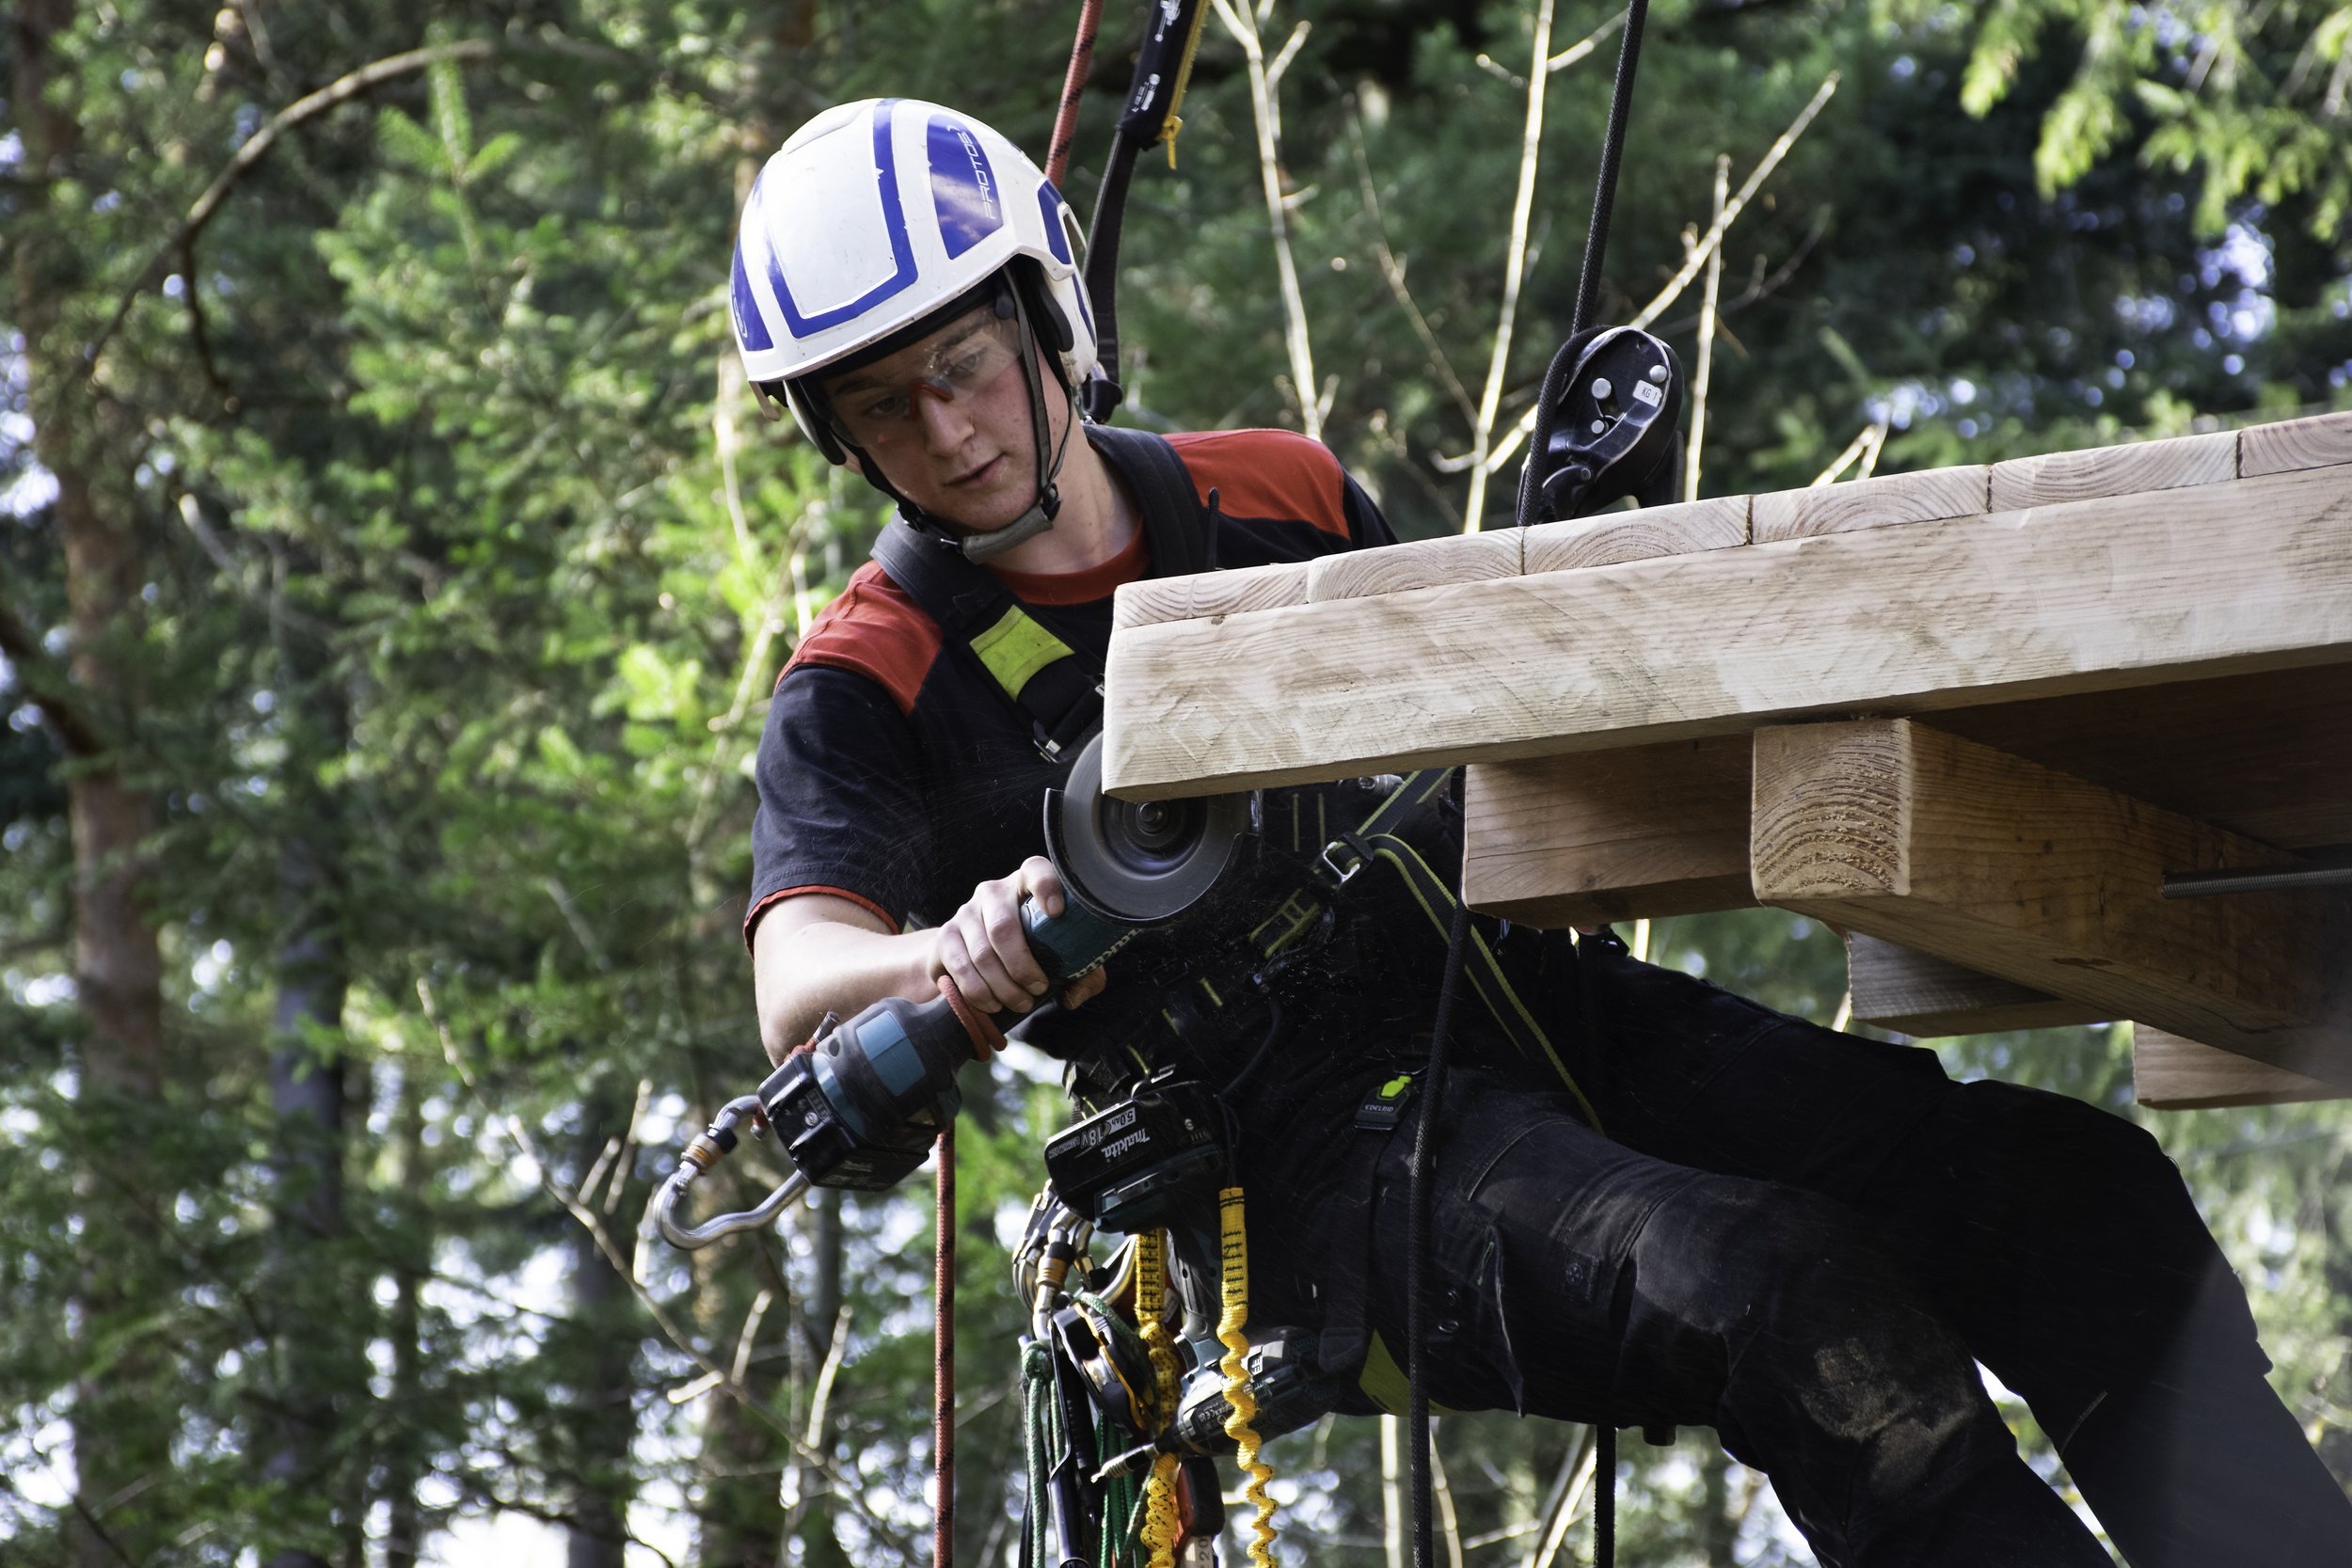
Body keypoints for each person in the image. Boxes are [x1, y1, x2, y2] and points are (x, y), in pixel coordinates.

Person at [734, 98, 2352, 1567]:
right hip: (1300, 1164)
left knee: (2070, 1193)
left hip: (1529, 1004)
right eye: (885, 407)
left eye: (963, 365)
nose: (946, 431)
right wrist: (948, 952)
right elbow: (799, 981)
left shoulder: (1278, 498)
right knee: (1784, 1295)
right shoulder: (874, 671)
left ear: (1048, 313)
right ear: (840, 435)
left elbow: (1477, 746)